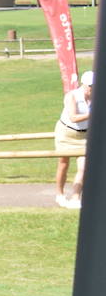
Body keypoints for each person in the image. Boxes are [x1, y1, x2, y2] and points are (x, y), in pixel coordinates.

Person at [54, 69, 92, 208]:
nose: (92, 89)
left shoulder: (97, 97)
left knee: (84, 167)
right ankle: (60, 195)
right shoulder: (72, 96)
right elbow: (73, 117)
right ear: (84, 84)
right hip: (66, 133)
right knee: (63, 163)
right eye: (90, 86)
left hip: (84, 135)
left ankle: (76, 197)